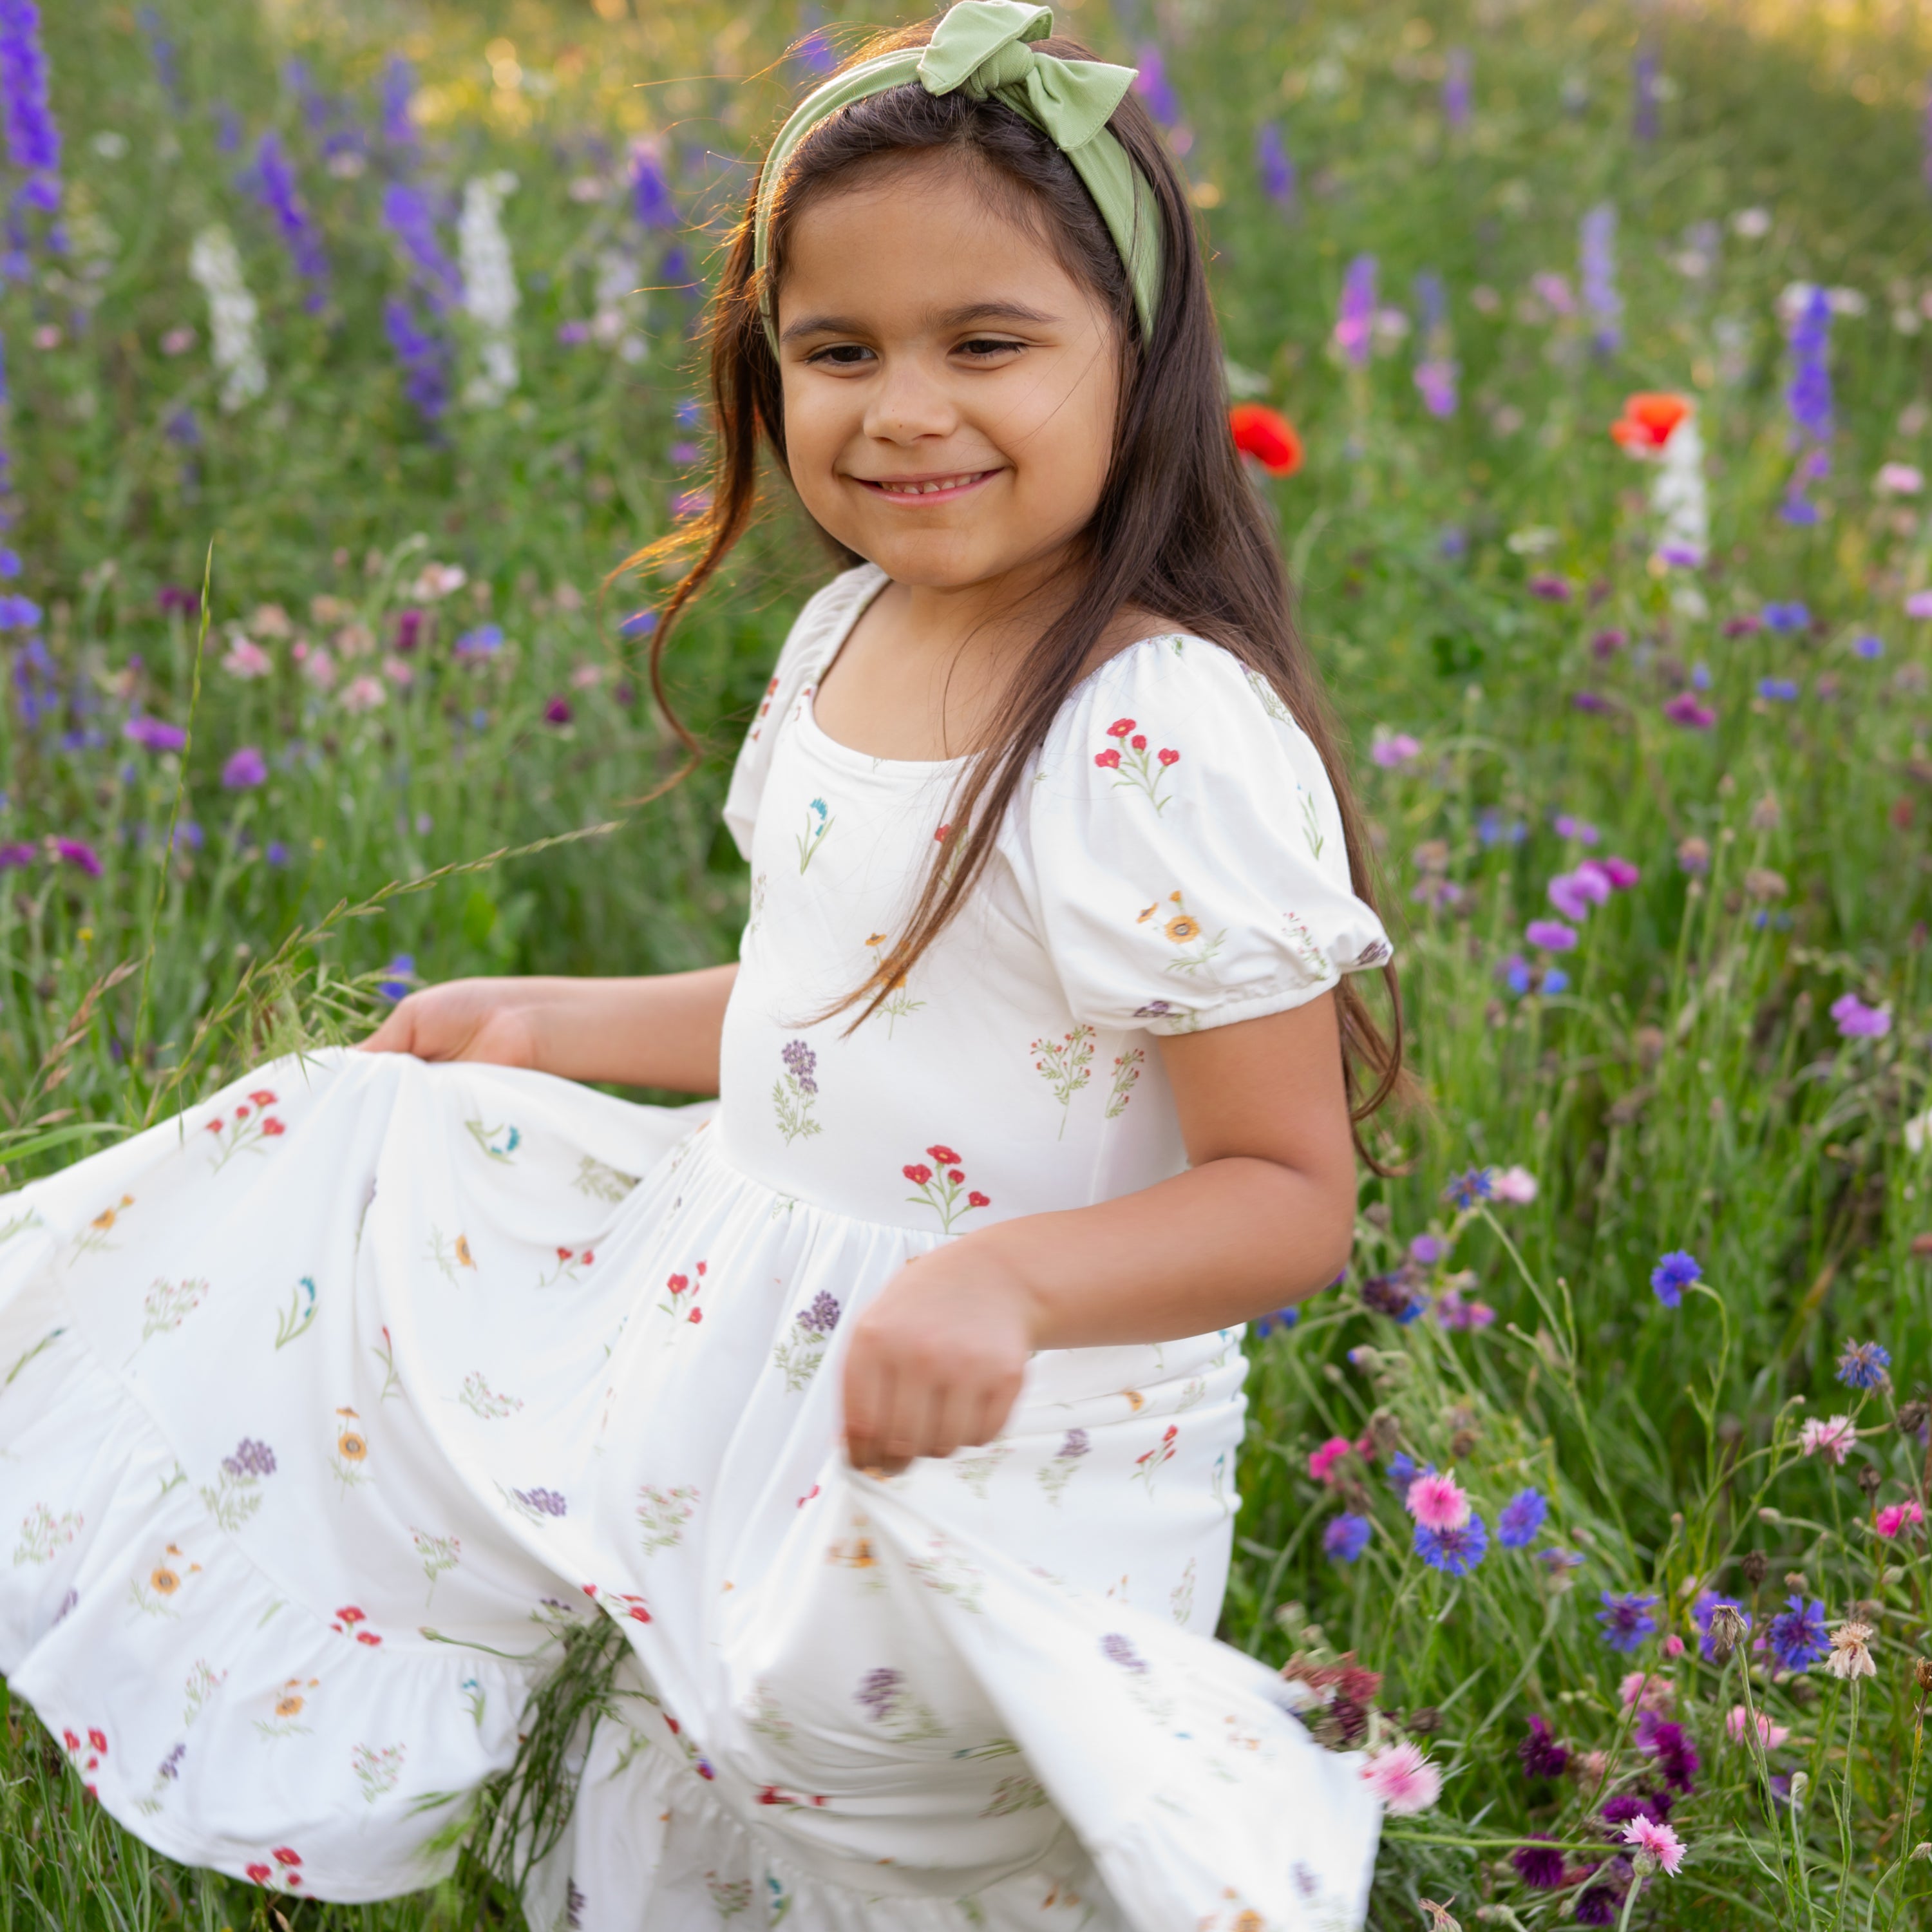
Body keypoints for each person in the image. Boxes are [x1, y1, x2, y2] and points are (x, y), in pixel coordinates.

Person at [0, 5, 1405, 1926]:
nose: (903, 409)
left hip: (1008, 1426)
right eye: (838, 351)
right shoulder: (850, 635)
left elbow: (1285, 1192)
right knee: (701, 1739)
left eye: (985, 343)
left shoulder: (1152, 726)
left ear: (1137, 364)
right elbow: (851, 1019)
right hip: (753, 1341)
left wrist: (1001, 1285)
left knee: (924, 1838)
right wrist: (565, 1024)